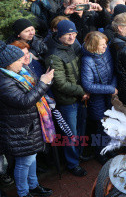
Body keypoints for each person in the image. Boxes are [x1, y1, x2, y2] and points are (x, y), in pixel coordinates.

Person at [0, 41, 54, 197]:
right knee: (24, 163)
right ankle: (23, 193)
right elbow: (24, 102)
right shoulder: (4, 81)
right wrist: (43, 83)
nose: (23, 61)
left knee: (32, 157)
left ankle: (33, 185)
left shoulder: (19, 73)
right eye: (18, 60)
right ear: (7, 64)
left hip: (28, 125)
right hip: (19, 129)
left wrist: (44, 81)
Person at [46, 20, 88, 177]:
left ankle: (79, 154)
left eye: (74, 33)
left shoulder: (74, 45)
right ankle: (72, 163)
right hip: (67, 100)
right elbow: (60, 84)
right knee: (70, 134)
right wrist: (81, 91)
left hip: (80, 97)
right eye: (68, 34)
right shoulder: (54, 55)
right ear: (60, 35)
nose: (72, 37)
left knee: (80, 129)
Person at [81, 31, 117, 164]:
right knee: (100, 127)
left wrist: (113, 87)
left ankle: (109, 148)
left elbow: (113, 72)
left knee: (110, 124)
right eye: (102, 45)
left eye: (105, 44)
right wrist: (110, 89)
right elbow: (88, 85)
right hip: (97, 100)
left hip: (109, 96)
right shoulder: (87, 60)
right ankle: (99, 152)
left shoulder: (105, 53)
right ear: (93, 46)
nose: (105, 47)